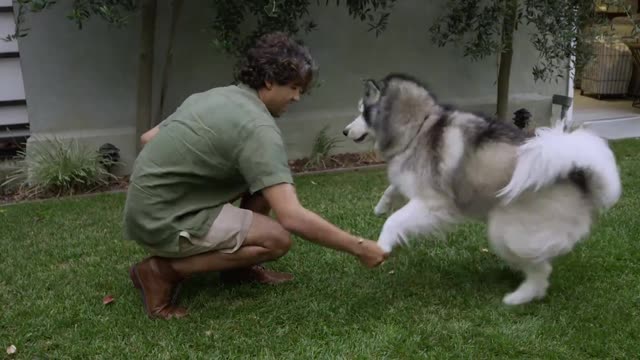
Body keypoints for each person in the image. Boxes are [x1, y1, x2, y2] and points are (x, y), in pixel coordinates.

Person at [123, 32, 387, 319]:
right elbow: (292, 217)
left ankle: (236, 271)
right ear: (269, 80)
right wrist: (359, 248)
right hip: (162, 219)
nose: (298, 97)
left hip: (142, 207)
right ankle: (161, 271)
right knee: (276, 239)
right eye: (294, 87)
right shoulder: (257, 128)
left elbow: (148, 138)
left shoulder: (216, 95)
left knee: (261, 185)